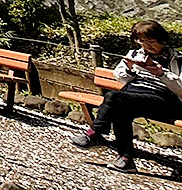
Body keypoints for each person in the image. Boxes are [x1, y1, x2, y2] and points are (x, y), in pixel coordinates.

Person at [69, 20, 182, 172]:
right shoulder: (136, 54)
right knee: (121, 109)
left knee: (114, 98)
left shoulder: (178, 59)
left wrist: (162, 74)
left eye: (151, 41)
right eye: (142, 41)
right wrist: (129, 69)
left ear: (162, 40)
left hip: (164, 100)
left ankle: (95, 133)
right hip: (134, 96)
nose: (147, 46)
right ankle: (125, 159)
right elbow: (120, 77)